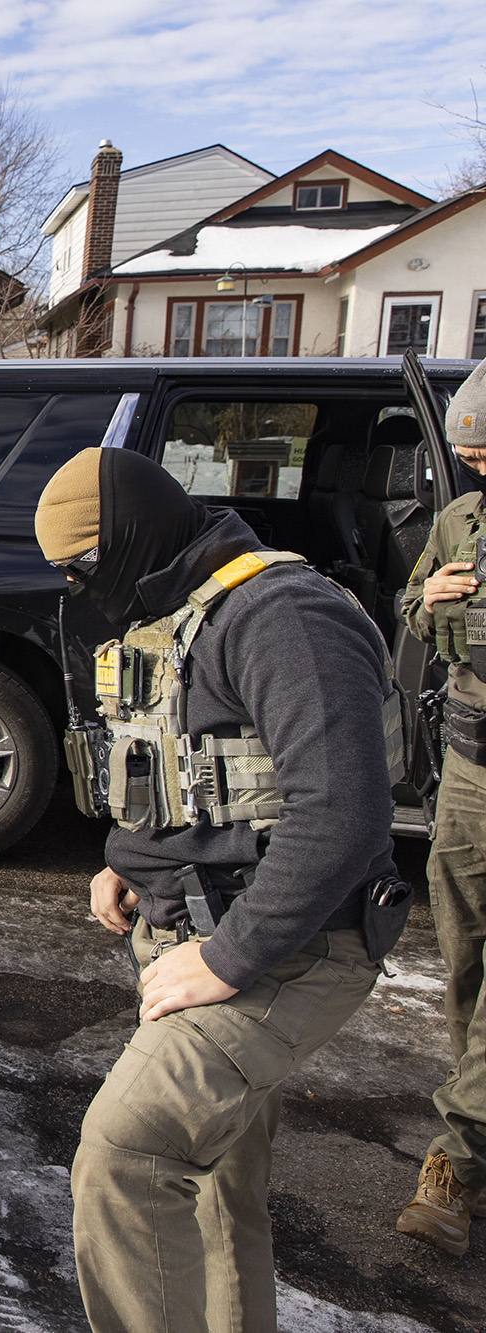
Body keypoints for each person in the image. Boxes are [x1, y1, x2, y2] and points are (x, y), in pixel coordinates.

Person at [39, 446, 401, 1332]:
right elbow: (201, 774)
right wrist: (133, 857)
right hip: (207, 931)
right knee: (213, 1183)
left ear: (131, 538)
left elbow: (343, 814)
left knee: (127, 1156)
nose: (83, 589)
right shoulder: (177, 608)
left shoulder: (285, 614)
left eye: (84, 567)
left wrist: (229, 957)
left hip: (290, 946)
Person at [398, 358, 486, 1255]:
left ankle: (455, 1162)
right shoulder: (460, 520)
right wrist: (429, 599)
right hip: (468, 770)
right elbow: (409, 609)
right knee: (462, 967)